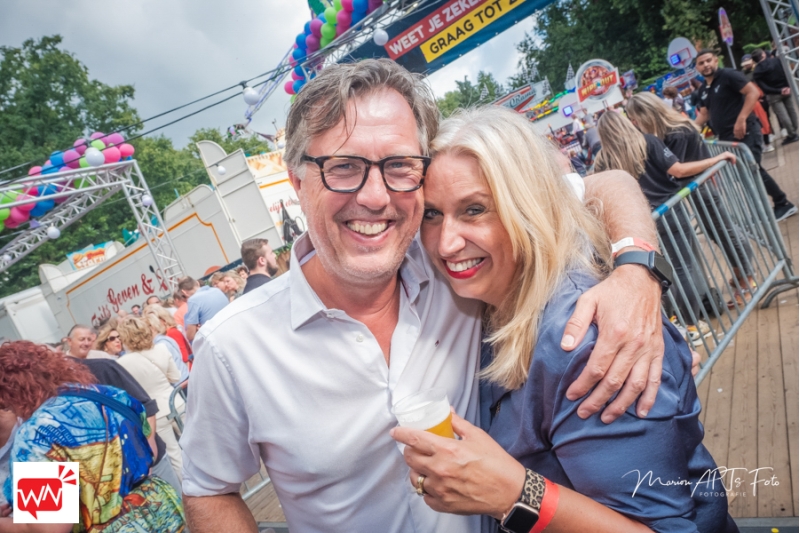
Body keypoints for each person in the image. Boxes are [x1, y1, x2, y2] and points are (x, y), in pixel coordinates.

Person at [181, 59, 669, 533]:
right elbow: (209, 490)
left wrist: (636, 270)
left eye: (398, 165)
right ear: (297, 181)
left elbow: (608, 183)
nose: (375, 196)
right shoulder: (232, 347)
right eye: (344, 167)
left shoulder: (451, 257)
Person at [391, 105, 737, 533]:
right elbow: (605, 182)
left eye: (475, 210)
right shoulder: (490, 298)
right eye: (431, 214)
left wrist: (517, 495)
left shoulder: (587, 343)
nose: (446, 244)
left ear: (528, 207)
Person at [0, 341, 185, 532]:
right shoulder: (110, 395)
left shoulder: (36, 434)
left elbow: (50, 528)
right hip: (161, 511)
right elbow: (149, 453)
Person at [595, 109, 737, 342]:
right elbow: (678, 170)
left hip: (639, 221)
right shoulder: (647, 142)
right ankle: (691, 324)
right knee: (683, 268)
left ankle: (675, 321)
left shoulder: (603, 160)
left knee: (658, 271)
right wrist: (716, 158)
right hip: (670, 211)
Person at [626, 91, 758, 309]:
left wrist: (716, 158)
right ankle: (741, 273)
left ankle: (746, 277)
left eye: (634, 118)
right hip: (695, 187)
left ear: (643, 115)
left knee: (724, 231)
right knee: (719, 231)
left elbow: (679, 169)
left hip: (699, 186)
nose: (634, 123)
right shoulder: (674, 129)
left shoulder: (676, 133)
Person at [694, 49, 797, 221]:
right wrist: (686, 129)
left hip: (746, 132)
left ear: (716, 60)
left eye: (708, 60)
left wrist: (741, 119)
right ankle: (764, 209)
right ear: (697, 68)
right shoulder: (703, 89)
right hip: (728, 139)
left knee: (752, 169)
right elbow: (704, 114)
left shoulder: (728, 75)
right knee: (747, 173)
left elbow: (753, 92)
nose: (706, 65)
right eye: (701, 63)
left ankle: (783, 204)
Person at [71, 356, 183, 496]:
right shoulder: (45, 422)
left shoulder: (100, 368)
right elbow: (53, 505)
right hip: (106, 490)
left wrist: (148, 456)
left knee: (176, 503)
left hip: (144, 465)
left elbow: (146, 408)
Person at [116, 316, 185, 479]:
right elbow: (175, 377)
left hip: (155, 413)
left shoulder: (122, 363)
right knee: (196, 444)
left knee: (175, 456)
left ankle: (190, 489)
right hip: (176, 402)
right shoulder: (161, 348)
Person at [752, 48, 798, 145]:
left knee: (782, 115)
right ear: (763, 54)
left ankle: (792, 134)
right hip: (786, 88)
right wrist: (787, 86)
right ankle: (795, 128)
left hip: (773, 94)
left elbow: (764, 87)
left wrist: (779, 91)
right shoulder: (776, 61)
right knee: (791, 110)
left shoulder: (757, 72)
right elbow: (786, 72)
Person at [144, 309, 190, 382]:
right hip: (184, 378)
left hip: (181, 381)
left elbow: (184, 358)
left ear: (152, 328)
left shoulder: (162, 342)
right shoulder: (164, 338)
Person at [180, 277, 229, 341]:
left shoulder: (193, 300)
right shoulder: (216, 290)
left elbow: (190, 336)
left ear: (184, 292)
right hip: (231, 329)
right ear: (197, 283)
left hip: (217, 339)